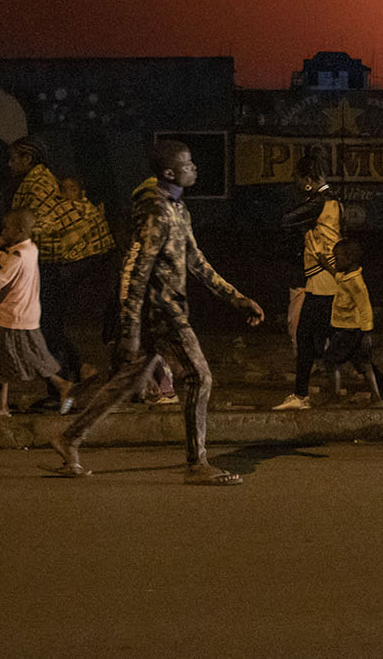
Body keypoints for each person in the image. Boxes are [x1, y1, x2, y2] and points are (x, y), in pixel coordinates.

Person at [49, 142, 266, 484]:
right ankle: (197, 464)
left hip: (166, 308)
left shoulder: (178, 210)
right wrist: (130, 327)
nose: (194, 168)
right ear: (169, 173)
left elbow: (195, 261)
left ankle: (69, 438)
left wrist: (236, 298)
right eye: (188, 164)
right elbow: (135, 269)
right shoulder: (156, 212)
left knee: (127, 380)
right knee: (200, 376)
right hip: (162, 311)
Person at [17, 141, 118, 387]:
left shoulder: (37, 184)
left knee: (47, 323)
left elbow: (43, 222)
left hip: (60, 263)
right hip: (62, 263)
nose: (9, 165)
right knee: (48, 322)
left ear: (28, 159)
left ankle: (63, 384)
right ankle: (79, 370)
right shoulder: (39, 181)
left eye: (13, 159)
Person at [0, 208, 72, 418]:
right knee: (25, 358)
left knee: (13, 360)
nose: (3, 231)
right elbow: (11, 263)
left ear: (19, 231)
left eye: (7, 228)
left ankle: (61, 385)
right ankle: (3, 404)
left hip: (14, 317)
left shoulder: (17, 256)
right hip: (26, 314)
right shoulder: (30, 249)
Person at [274, 154, 342, 411]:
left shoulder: (319, 203)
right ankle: (302, 394)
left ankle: (301, 396)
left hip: (321, 280)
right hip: (325, 279)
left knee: (308, 336)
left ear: (308, 182)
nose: (295, 184)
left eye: (297, 179)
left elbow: (287, 219)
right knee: (325, 338)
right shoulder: (334, 201)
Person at [319, 236, 383, 406]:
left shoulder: (356, 283)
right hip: (354, 329)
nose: (334, 261)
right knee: (364, 364)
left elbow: (365, 308)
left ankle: (334, 398)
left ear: (349, 259)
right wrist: (326, 266)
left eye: (337, 258)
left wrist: (366, 333)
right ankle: (378, 397)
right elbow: (339, 278)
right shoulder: (348, 276)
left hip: (349, 330)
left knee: (330, 361)